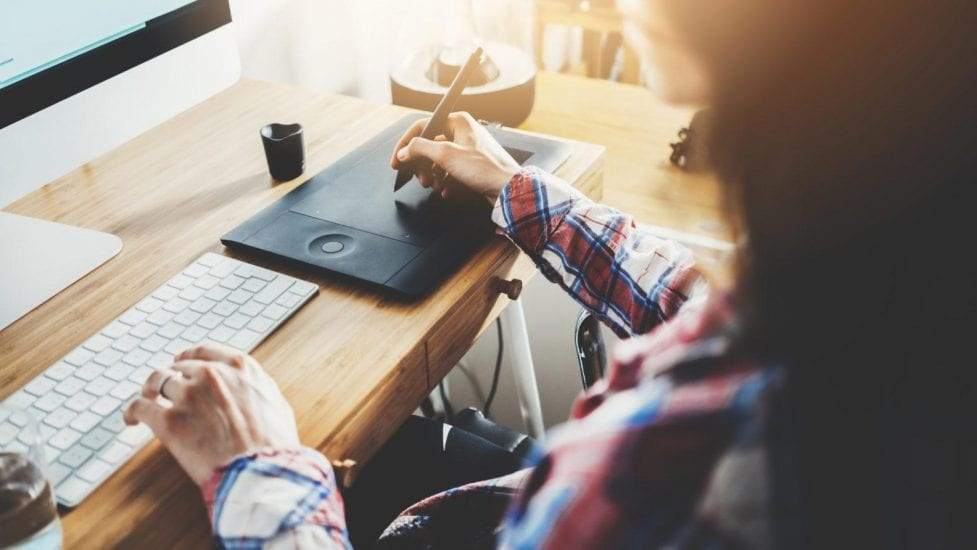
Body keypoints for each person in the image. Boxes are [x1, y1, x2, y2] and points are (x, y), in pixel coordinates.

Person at [123, 0, 977, 547]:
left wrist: (258, 467)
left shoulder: (686, 479)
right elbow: (700, 310)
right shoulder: (884, 268)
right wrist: (530, 197)